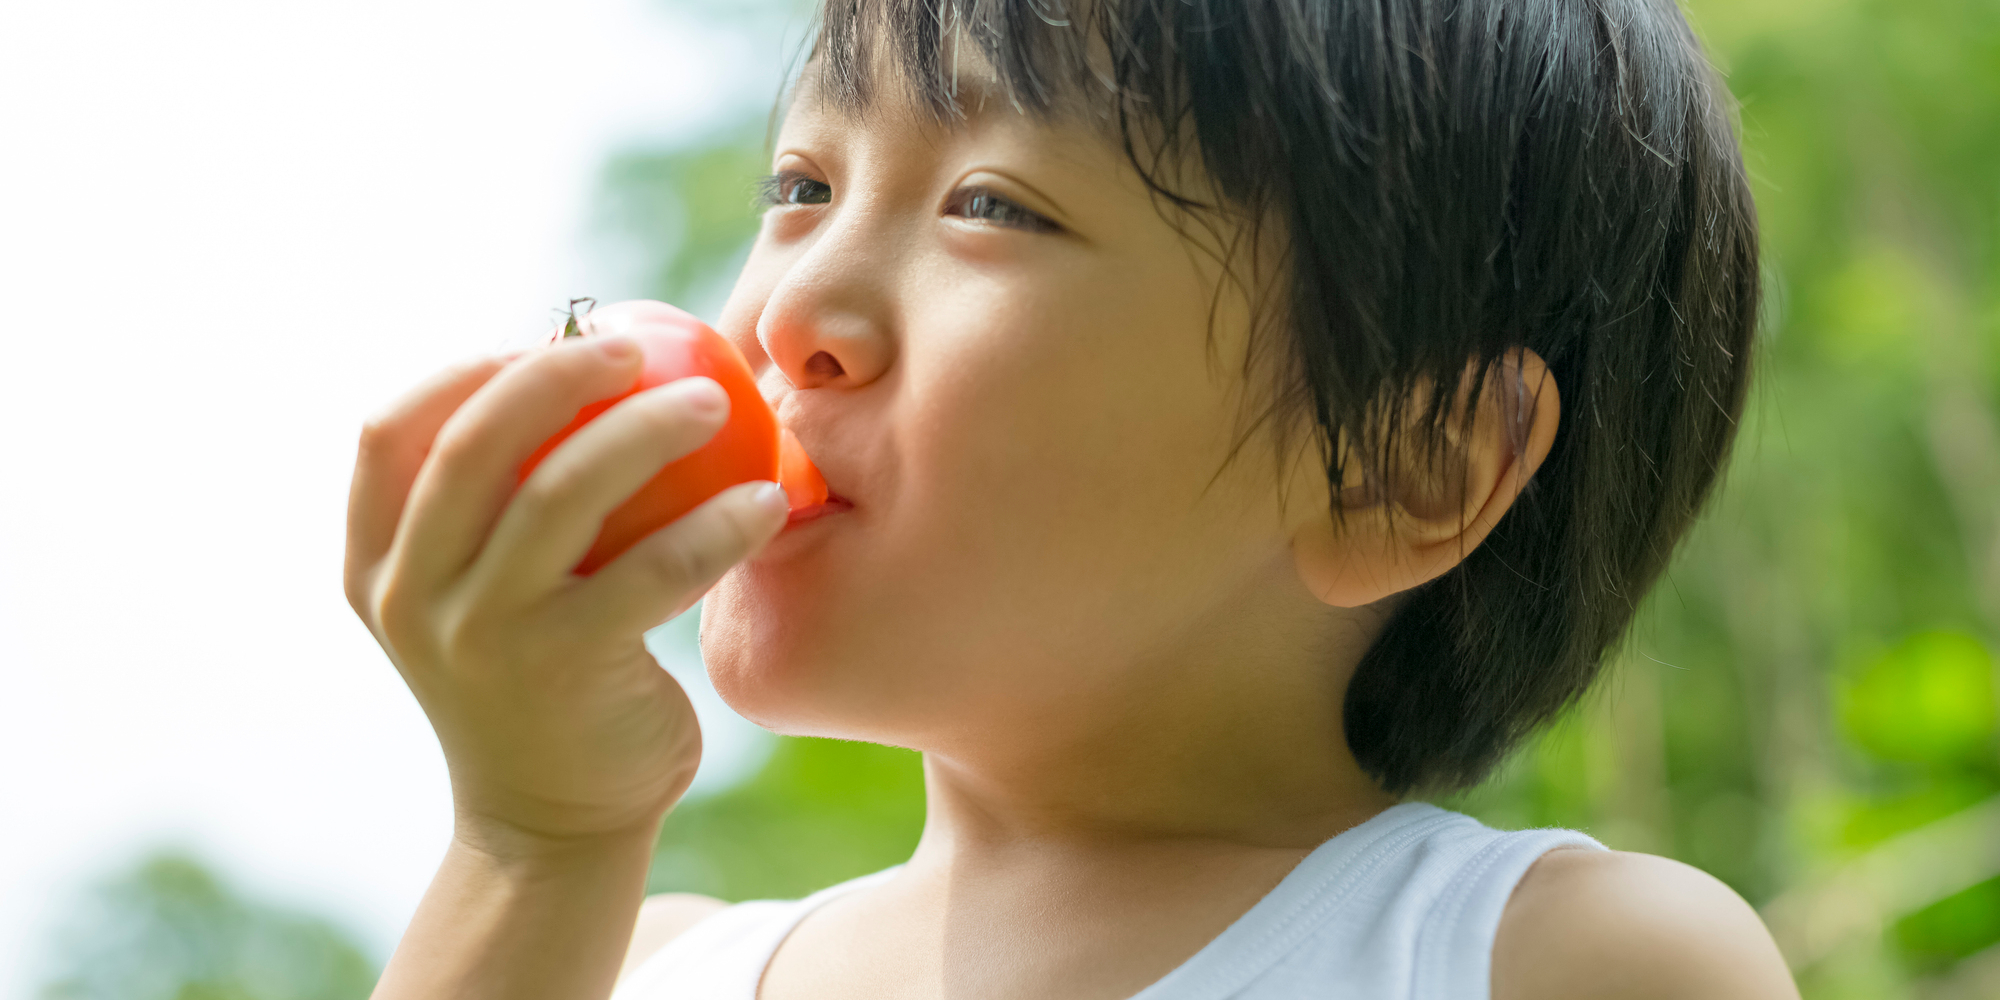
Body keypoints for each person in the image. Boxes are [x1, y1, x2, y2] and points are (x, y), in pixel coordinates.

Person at [342, 0, 1799, 997]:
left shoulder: (1550, 963)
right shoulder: (642, 961)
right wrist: (532, 844)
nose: (795, 314)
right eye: (801, 184)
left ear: (1399, 464)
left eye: (991, 203)